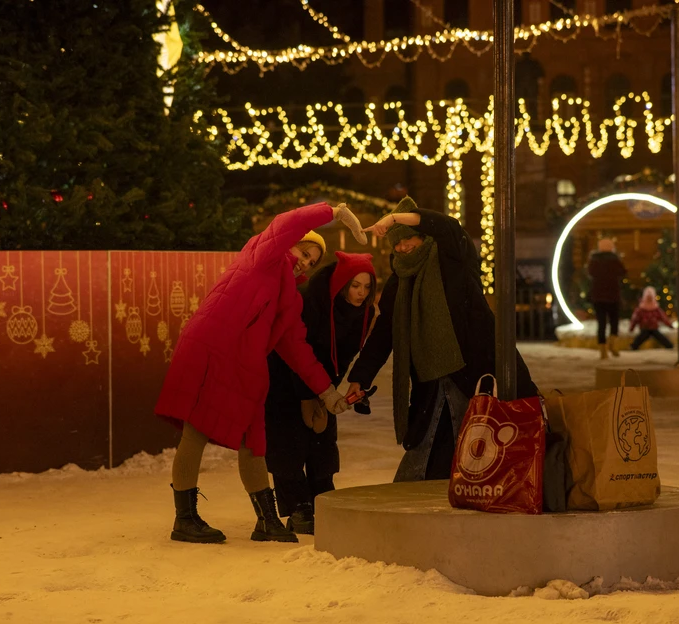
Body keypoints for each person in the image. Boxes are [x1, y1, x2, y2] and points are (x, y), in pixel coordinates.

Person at [154, 202, 366, 544]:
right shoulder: (263, 255)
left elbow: (296, 348)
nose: (307, 260)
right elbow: (286, 223)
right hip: (213, 349)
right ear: (290, 243)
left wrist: (327, 393)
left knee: (254, 439)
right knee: (196, 430)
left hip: (246, 363)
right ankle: (185, 518)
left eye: (313, 260)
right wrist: (333, 211)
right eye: (305, 250)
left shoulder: (289, 297)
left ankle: (267, 520)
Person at [346, 197, 537, 483]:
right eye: (396, 243)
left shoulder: (453, 260)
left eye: (408, 238)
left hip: (475, 374)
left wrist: (395, 219)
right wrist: (360, 376)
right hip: (430, 386)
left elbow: (448, 226)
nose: (402, 247)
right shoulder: (399, 282)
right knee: (428, 459)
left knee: (486, 453)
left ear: (424, 236)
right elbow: (384, 334)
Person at [265, 251, 377, 535]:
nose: (361, 293)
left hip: (321, 380)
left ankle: (323, 497)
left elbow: (345, 354)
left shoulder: (363, 310)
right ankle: (297, 507)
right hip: (283, 375)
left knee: (322, 439)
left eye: (367, 287)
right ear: (341, 284)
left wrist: (332, 391)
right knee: (288, 441)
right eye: (355, 286)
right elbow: (296, 351)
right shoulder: (308, 299)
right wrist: (310, 393)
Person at [587, 237, 627, 359]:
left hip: (598, 296)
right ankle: (613, 345)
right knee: (614, 321)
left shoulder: (593, 260)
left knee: (601, 323)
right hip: (612, 295)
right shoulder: (615, 260)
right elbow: (623, 272)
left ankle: (602, 350)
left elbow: (590, 273)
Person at [629, 286, 674, 350]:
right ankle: (633, 346)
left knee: (659, 335)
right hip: (644, 328)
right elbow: (635, 319)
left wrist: (670, 325)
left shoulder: (656, 309)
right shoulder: (641, 309)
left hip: (654, 328)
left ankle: (669, 346)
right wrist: (631, 328)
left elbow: (663, 318)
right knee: (643, 335)